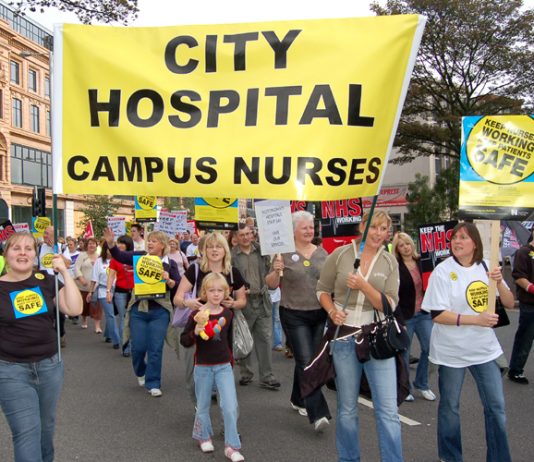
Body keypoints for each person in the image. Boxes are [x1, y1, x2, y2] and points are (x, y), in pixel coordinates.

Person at [421, 222, 514, 462]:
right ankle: (451, 457)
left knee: (496, 408)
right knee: (450, 408)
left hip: (484, 351)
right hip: (451, 353)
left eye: (463, 237)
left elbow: (510, 303)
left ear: (475, 242)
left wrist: (499, 280)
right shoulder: (443, 271)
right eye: (454, 238)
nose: (456, 242)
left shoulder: (485, 267)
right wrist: (476, 319)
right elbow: (438, 314)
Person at [316, 210, 403, 462]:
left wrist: (364, 285)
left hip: (377, 338)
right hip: (344, 339)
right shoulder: (341, 254)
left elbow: (390, 305)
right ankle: (348, 458)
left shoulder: (389, 262)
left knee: (387, 411)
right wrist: (331, 311)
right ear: (362, 226)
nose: (378, 233)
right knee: (347, 409)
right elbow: (322, 289)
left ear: (388, 232)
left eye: (383, 228)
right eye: (373, 227)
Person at [0, 232, 82, 462]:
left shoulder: (45, 280)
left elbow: (74, 309)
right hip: (10, 370)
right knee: (27, 431)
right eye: (16, 248)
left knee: (45, 430)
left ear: (35, 255)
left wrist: (65, 271)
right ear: (6, 254)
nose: (23, 253)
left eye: (28, 248)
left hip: (49, 367)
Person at [266, 210, 330, 431]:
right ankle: (318, 411)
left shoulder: (322, 253)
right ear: (293, 231)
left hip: (319, 313)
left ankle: (297, 398)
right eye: (304, 228)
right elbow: (271, 284)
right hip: (293, 314)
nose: (309, 231)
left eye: (311, 227)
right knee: (306, 360)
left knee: (309, 358)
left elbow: (330, 281)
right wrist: (276, 271)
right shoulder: (282, 253)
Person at [103, 227, 180, 397]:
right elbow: (119, 256)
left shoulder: (170, 264)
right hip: (139, 309)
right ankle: (141, 371)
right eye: (149, 240)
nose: (150, 243)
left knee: (155, 348)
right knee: (137, 348)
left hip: (159, 311)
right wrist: (110, 243)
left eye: (154, 241)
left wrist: (170, 280)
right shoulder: (140, 257)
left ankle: (153, 383)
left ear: (163, 245)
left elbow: (178, 288)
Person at [174, 231, 247, 402]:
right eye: (210, 247)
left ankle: (226, 419)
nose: (214, 250)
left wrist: (234, 304)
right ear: (204, 250)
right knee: (192, 375)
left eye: (219, 246)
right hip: (198, 329)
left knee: (224, 376)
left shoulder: (233, 272)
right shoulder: (196, 269)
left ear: (225, 250)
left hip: (223, 331)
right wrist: (188, 303)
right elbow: (178, 298)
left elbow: (242, 300)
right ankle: (199, 409)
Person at [180, 273, 245, 462]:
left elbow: (229, 340)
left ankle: (232, 446)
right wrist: (195, 332)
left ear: (226, 292)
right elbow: (184, 340)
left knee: (230, 406)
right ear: (204, 292)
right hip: (203, 366)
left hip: (224, 365)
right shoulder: (196, 315)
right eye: (211, 290)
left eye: (220, 290)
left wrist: (232, 360)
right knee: (203, 405)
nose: (216, 294)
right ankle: (203, 436)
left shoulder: (228, 313)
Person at [232, 224, 281, 390]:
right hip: (243, 301)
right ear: (236, 238)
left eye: (248, 234)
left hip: (262, 300)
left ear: (252, 235)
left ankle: (267, 376)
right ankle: (246, 373)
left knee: (265, 339)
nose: (246, 237)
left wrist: (276, 267)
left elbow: (271, 279)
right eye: (242, 234)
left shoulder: (263, 252)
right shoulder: (232, 256)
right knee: (244, 337)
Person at [392, 232, 435, 403]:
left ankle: (422, 383)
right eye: (401, 245)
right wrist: (397, 318)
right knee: (404, 353)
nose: (406, 247)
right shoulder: (396, 267)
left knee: (430, 348)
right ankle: (405, 388)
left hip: (424, 313)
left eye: (407, 243)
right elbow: (393, 293)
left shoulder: (422, 262)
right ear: (397, 249)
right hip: (406, 315)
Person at [37, 226, 71, 348]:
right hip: (43, 284)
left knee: (59, 313)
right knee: (46, 312)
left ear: (54, 235)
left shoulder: (62, 247)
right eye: (44, 233)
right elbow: (36, 266)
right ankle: (49, 337)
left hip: (58, 284)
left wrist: (55, 250)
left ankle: (61, 334)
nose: (45, 236)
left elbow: (67, 264)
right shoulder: (40, 247)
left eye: (48, 234)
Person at [508, 229, 534, 384]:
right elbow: (518, 276)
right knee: (525, 340)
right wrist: (532, 288)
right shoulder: (523, 252)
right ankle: (516, 370)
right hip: (530, 305)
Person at [88, 241, 120, 349]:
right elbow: (94, 278)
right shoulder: (99, 261)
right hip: (103, 290)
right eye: (108, 249)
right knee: (110, 314)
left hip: (118, 290)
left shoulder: (119, 260)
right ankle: (117, 340)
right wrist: (90, 292)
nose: (110, 251)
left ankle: (108, 334)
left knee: (113, 314)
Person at [107, 235, 135, 357]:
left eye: (122, 243)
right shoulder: (115, 259)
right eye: (118, 243)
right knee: (124, 319)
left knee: (135, 319)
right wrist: (108, 291)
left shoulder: (136, 257)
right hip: (120, 292)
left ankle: (135, 345)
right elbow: (111, 276)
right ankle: (125, 346)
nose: (119, 246)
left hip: (135, 292)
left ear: (128, 244)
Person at [74, 237, 102, 332]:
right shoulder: (82, 255)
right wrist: (81, 278)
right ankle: (84, 320)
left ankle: (97, 326)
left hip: (96, 287)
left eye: (93, 244)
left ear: (96, 245)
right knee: (85, 306)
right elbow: (76, 268)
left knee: (96, 306)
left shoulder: (99, 256)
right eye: (90, 243)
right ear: (87, 245)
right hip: (84, 286)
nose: (91, 245)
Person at [63, 236, 81, 325]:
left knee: (75, 296)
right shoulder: (65, 254)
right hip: (66, 277)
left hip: (75, 278)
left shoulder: (79, 254)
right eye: (68, 244)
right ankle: (69, 312)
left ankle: (75, 316)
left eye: (71, 245)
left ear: (75, 245)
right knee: (66, 295)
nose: (69, 246)